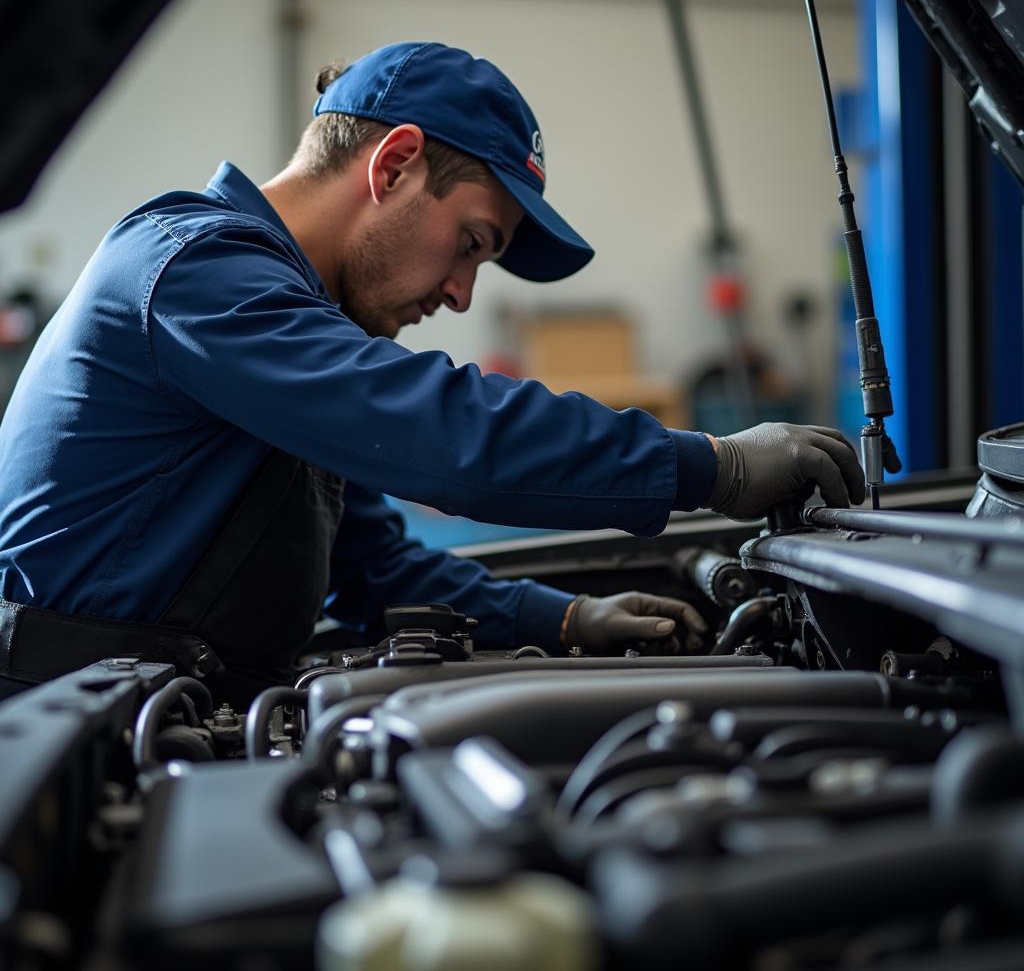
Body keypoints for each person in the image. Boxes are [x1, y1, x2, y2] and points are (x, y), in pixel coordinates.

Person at [0, 42, 864, 703]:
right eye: (473, 244)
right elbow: (444, 434)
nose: (459, 293)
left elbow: (373, 566)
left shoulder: (288, 320)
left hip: (164, 708)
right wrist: (716, 466)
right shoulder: (197, 269)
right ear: (393, 164)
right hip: (59, 731)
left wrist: (560, 619)